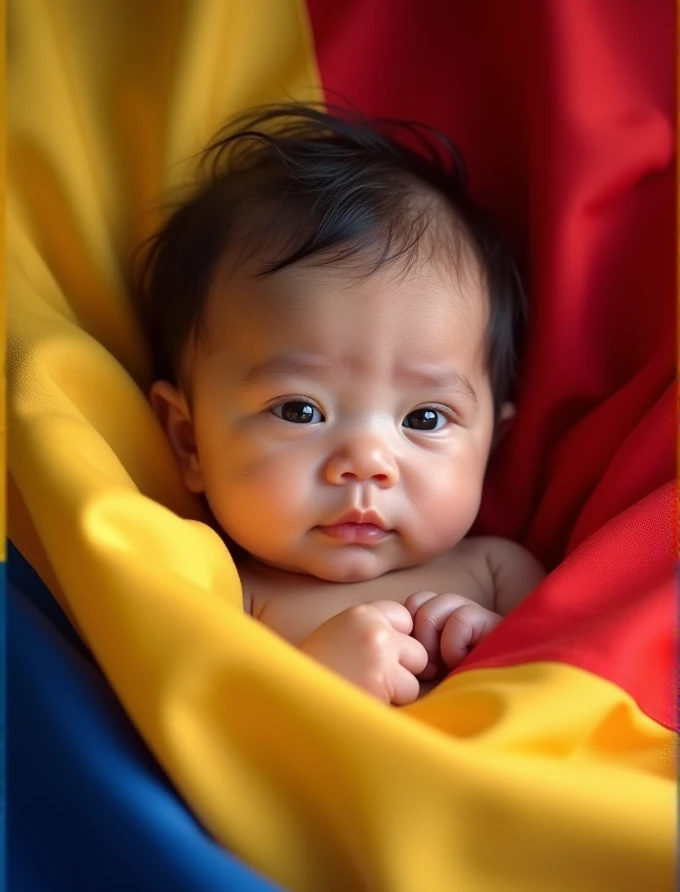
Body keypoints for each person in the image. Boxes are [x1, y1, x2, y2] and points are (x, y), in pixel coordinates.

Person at [140, 104, 545, 705]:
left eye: (424, 418)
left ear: (491, 444)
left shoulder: (498, 573)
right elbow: (205, 733)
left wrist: (496, 649)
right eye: (299, 410)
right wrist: (316, 682)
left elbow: (575, 682)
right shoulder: (223, 595)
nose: (366, 462)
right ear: (190, 439)